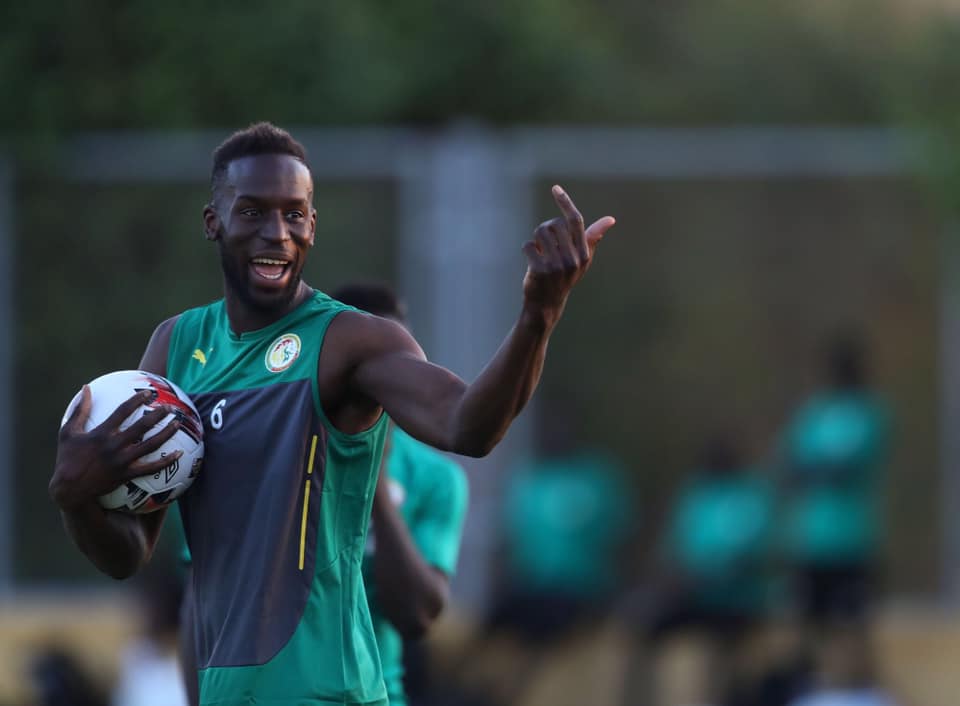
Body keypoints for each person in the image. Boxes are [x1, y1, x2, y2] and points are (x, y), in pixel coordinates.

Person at [48, 122, 616, 706]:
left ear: (313, 225)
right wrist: (76, 496)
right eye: (253, 212)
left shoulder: (351, 341)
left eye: (295, 214)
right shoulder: (176, 346)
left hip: (328, 690)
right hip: (225, 692)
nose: (278, 233)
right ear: (213, 221)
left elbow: (466, 425)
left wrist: (537, 317)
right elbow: (129, 554)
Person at [331, 282, 469, 706]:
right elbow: (204, 604)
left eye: (403, 358)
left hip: (377, 695)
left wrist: (371, 477)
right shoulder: (275, 452)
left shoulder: (434, 478)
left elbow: (418, 617)